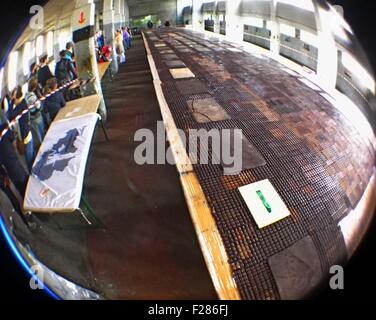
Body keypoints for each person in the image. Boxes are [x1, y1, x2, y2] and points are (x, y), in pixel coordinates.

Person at [12, 86, 35, 172]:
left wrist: (11, 102)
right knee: (32, 155)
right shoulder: (23, 102)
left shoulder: (20, 106)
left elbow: (11, 115)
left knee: (29, 159)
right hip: (28, 134)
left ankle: (32, 174)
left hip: (26, 137)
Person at [25, 77, 45, 152]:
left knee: (37, 134)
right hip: (37, 117)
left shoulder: (27, 94)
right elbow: (38, 106)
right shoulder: (32, 97)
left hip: (32, 118)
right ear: (34, 87)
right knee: (41, 133)